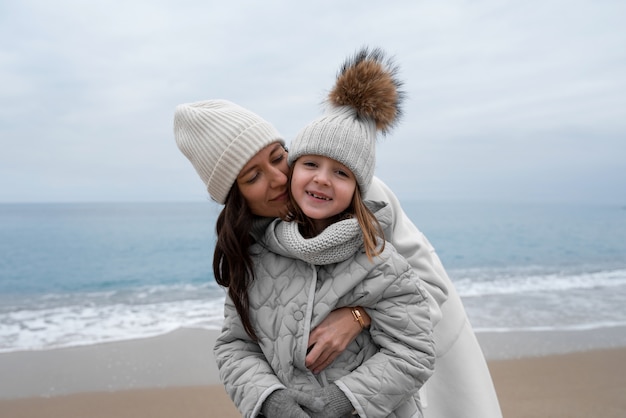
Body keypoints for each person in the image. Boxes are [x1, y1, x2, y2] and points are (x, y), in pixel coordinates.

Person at [174, 48, 502, 417]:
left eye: (279, 156)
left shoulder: (356, 198)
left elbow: (425, 291)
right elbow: (237, 344)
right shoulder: (253, 252)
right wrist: (271, 400)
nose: (280, 178)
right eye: (253, 177)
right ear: (236, 198)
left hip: (408, 376)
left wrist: (358, 316)